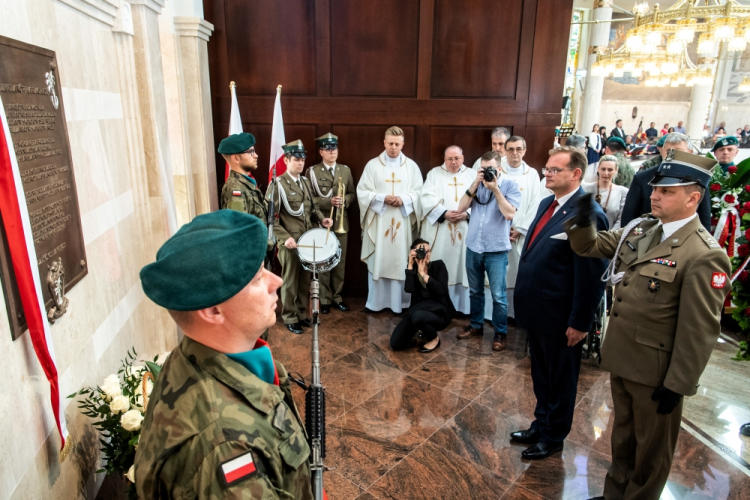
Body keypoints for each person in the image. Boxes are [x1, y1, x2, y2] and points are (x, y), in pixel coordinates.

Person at [565, 150, 730, 500]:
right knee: (622, 438)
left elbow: (699, 329)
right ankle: (615, 495)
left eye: (667, 191)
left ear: (693, 197)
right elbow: (592, 246)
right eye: (655, 188)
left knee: (651, 452)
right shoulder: (642, 228)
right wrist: (582, 219)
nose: (654, 195)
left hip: (658, 374)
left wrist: (679, 383)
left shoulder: (703, 253)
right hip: (624, 358)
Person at [135, 210, 313, 500]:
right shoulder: (225, 446)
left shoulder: (201, 356)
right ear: (213, 310)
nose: (276, 281)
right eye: (257, 278)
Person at [512, 146, 609, 460]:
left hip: (560, 315)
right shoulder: (547, 204)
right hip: (538, 310)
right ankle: (541, 424)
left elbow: (591, 274)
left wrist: (580, 322)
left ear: (575, 173)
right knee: (541, 375)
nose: (547, 174)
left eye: (555, 169)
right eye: (547, 169)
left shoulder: (588, 212)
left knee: (560, 379)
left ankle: (553, 436)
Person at [456, 151, 521, 351]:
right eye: (484, 169)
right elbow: (461, 207)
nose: (487, 172)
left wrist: (495, 190)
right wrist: (476, 183)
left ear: (500, 169)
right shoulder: (477, 184)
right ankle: (476, 325)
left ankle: (500, 332)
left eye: (491, 169)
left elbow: (509, 213)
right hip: (474, 246)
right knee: (475, 291)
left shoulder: (510, 186)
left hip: (496, 250)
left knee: (498, 295)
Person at [268, 140, 332, 333]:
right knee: (290, 281)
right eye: (296, 159)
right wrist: (284, 237)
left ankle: (301, 313)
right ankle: (288, 316)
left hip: (306, 241)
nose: (300, 163)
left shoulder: (304, 182)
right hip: (290, 242)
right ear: (286, 160)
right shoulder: (278, 185)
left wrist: (322, 220)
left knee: (306, 278)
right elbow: (271, 218)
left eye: (302, 159)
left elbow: (312, 208)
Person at [357, 126, 423, 313]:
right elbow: (363, 192)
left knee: (401, 259)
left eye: (397, 144)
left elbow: (419, 192)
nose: (394, 147)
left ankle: (400, 303)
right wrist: (382, 198)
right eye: (390, 143)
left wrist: (404, 199)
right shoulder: (372, 166)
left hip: (402, 221)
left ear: (403, 144)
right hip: (380, 219)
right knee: (380, 258)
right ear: (384, 143)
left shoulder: (411, 167)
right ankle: (376, 303)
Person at [489, 136, 542, 320]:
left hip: (520, 235)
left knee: (516, 274)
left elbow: (536, 204)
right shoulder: (497, 170)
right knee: (497, 275)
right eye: (510, 149)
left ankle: (513, 314)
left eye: (518, 149)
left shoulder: (532, 174)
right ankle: (493, 314)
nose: (515, 153)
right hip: (496, 230)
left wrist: (521, 228)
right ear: (505, 150)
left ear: (525, 150)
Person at [420, 146, 475, 314]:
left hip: (466, 227)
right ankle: (440, 304)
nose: (453, 162)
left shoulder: (472, 175)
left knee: (463, 266)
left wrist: (467, 214)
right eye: (450, 159)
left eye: (457, 158)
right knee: (442, 263)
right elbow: (426, 198)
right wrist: (444, 213)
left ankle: (463, 307)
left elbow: (482, 201)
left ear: (463, 158)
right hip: (442, 229)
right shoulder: (434, 174)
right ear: (444, 159)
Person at [622, 132, 711, 231]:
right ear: (662, 151)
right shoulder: (642, 178)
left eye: (678, 151)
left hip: (685, 239)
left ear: (689, 152)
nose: (672, 155)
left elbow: (704, 217)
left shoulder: (698, 180)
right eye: (669, 151)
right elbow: (628, 217)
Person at [306, 133, 354, 314]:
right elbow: (309, 199)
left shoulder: (345, 170)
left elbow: (352, 193)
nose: (332, 151)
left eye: (334, 148)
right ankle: (324, 298)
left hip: (342, 221)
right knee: (324, 261)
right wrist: (329, 202)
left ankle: (337, 297)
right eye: (328, 149)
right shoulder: (312, 171)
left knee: (339, 262)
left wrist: (345, 200)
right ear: (321, 152)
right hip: (322, 222)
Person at [389, 238, 456, 353]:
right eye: (422, 251)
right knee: (396, 343)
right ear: (413, 252)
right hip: (417, 312)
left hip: (439, 314)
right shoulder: (413, 270)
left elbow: (441, 290)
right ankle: (421, 327)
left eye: (428, 251)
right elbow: (409, 289)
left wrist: (423, 274)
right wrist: (410, 265)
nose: (425, 254)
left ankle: (433, 338)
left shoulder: (439, 265)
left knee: (417, 316)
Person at [582, 155, 628, 229]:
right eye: (603, 169)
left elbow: (621, 220)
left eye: (610, 170)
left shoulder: (623, 192)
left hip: (610, 237)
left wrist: (607, 238)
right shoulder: (586, 188)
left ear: (616, 170)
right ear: (598, 169)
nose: (606, 173)